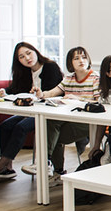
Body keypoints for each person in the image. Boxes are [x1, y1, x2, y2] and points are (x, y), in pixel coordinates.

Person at [0, 42, 62, 182]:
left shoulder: (50, 67)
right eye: (22, 57)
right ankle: (7, 168)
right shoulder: (25, 71)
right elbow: (16, 88)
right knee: (5, 126)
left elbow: (54, 92)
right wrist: (5, 91)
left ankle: (0, 165)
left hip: (47, 111)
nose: (27, 58)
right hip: (31, 110)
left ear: (35, 51)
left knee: (21, 127)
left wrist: (41, 94)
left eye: (28, 53)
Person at [21, 46, 100, 186]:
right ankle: (53, 169)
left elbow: (98, 102)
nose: (81, 60)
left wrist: (76, 99)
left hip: (87, 121)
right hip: (70, 118)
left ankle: (49, 166)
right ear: (70, 63)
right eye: (76, 58)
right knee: (51, 125)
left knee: (53, 133)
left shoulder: (95, 78)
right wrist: (40, 94)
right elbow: (52, 93)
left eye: (83, 57)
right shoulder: (69, 78)